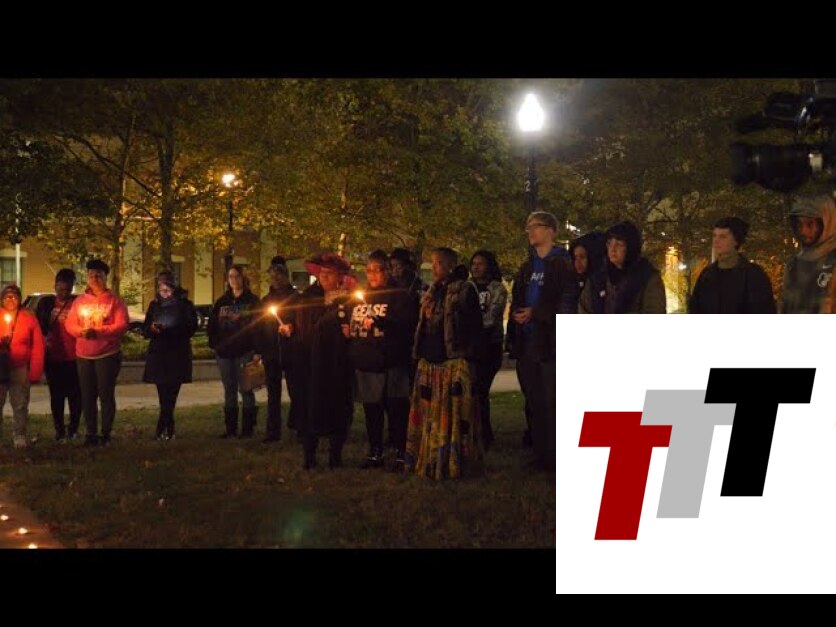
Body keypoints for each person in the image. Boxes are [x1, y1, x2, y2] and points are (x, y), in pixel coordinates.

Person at [405, 247, 483, 479]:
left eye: (438, 263)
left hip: (452, 360)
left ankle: (452, 460)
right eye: (432, 263)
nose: (434, 268)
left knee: (452, 415)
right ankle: (430, 457)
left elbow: (474, 327)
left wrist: (468, 358)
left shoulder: (464, 290)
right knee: (431, 415)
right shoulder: (432, 291)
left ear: (450, 265)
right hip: (430, 360)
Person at [506, 210, 575, 460]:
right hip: (528, 342)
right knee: (533, 400)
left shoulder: (562, 265)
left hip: (549, 342)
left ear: (550, 231)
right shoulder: (527, 267)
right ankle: (540, 451)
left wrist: (537, 313)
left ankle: (556, 453)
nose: (530, 231)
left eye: (535, 226)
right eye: (528, 227)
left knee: (552, 401)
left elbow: (566, 302)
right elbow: (518, 296)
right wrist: (518, 316)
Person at [347, 250, 417, 471]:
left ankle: (400, 452)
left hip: (391, 362)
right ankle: (375, 451)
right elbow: (354, 321)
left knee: (396, 410)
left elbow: (407, 326)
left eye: (377, 270)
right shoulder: (362, 296)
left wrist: (382, 322)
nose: (372, 274)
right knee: (372, 411)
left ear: (387, 270)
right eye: (368, 270)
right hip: (367, 362)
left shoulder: (399, 295)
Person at [289, 252, 356, 469]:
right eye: (322, 273)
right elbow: (299, 323)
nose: (324, 277)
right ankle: (309, 455)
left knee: (338, 406)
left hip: (337, 362)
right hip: (310, 362)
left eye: (330, 273)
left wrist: (350, 332)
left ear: (340, 277)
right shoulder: (307, 298)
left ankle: (335, 454)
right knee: (310, 407)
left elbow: (356, 325)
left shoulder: (349, 299)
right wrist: (290, 328)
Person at [65, 259, 129, 446]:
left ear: (105, 277)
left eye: (98, 275)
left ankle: (106, 433)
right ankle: (90, 433)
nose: (94, 279)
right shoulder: (80, 302)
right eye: (91, 275)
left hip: (107, 354)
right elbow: (70, 324)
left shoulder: (114, 301)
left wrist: (99, 332)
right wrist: (81, 332)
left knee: (105, 394)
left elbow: (121, 325)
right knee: (87, 395)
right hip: (84, 355)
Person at [142, 271, 198, 440]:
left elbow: (191, 328)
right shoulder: (154, 305)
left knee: (171, 394)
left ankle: (164, 427)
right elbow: (145, 329)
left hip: (177, 354)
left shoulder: (185, 305)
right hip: (159, 354)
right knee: (162, 394)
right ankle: (166, 427)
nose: (164, 292)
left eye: (168, 288)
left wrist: (172, 329)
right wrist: (152, 329)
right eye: (161, 288)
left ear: (175, 288)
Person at [207, 264, 261, 438]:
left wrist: (257, 350)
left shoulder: (252, 301)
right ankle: (230, 429)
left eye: (237, 276)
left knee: (246, 389)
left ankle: (247, 429)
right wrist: (215, 344)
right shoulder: (222, 302)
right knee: (229, 390)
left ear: (243, 278)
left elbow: (259, 327)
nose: (234, 280)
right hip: (225, 352)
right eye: (231, 276)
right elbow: (212, 325)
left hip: (245, 351)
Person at [252, 256, 299, 443]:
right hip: (271, 353)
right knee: (273, 395)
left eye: (279, 275)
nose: (276, 279)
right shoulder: (266, 301)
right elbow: (259, 327)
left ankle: (297, 425)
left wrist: (292, 327)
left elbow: (302, 320)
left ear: (285, 276)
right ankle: (273, 431)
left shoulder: (295, 298)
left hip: (293, 351)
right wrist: (259, 350)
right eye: (272, 275)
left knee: (296, 391)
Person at [688, 217, 776, 314]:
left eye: (722, 237)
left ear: (736, 241)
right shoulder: (706, 275)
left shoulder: (754, 276)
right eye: (714, 236)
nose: (716, 241)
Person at [578, 220, 666, 314]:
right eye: (609, 243)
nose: (612, 249)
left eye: (619, 244)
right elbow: (584, 307)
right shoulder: (598, 276)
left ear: (630, 247)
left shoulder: (647, 277)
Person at [35, 268, 82, 440]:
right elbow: (39, 326)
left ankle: (73, 428)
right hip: (53, 357)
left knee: (75, 395)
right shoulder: (47, 304)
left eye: (67, 288)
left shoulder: (78, 303)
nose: (63, 291)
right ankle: (59, 429)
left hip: (75, 357)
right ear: (55, 286)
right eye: (60, 287)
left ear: (72, 287)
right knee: (56, 395)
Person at [468, 249, 507, 451]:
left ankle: (484, 434)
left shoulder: (497, 288)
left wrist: (473, 327)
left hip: (489, 344)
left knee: (481, 389)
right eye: (473, 264)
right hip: (470, 346)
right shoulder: (468, 287)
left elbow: (493, 314)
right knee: (472, 391)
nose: (476, 267)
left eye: (480, 264)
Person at [0, 283, 44, 448]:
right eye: (7, 297)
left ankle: (19, 435)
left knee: (20, 403)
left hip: (19, 368)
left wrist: (35, 371)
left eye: (14, 296)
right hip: (0, 367)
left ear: (19, 299)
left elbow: (38, 346)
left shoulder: (28, 318)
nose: (10, 300)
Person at [781, 194, 836, 314]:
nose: (803, 231)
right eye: (799, 224)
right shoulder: (793, 264)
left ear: (827, 223)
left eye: (810, 224)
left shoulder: (832, 262)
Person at [569, 231, 607, 305]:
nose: (577, 262)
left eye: (582, 257)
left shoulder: (603, 283)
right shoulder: (572, 283)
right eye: (575, 257)